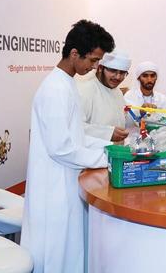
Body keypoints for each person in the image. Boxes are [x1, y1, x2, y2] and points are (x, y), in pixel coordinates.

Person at [21, 20, 116, 273]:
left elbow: (77, 135)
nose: (94, 67)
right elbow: (61, 148)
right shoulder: (55, 89)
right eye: (93, 60)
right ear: (74, 53)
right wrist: (106, 159)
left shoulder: (68, 82)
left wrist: (111, 147)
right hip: (54, 187)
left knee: (69, 252)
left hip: (66, 181)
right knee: (56, 254)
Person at [77, 49, 132, 142]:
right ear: (100, 68)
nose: (118, 77)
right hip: (91, 150)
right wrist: (107, 133)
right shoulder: (85, 90)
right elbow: (75, 128)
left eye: (122, 73)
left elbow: (122, 119)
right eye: (113, 71)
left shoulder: (117, 92)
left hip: (115, 149)